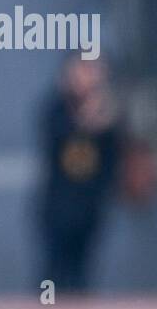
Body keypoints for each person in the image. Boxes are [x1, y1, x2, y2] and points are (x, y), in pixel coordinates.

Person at [35, 57, 122, 294]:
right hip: (58, 206)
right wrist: (88, 118)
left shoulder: (109, 115)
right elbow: (58, 137)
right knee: (55, 270)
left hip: (90, 206)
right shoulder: (57, 108)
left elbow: (113, 160)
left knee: (81, 273)